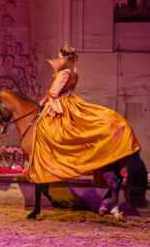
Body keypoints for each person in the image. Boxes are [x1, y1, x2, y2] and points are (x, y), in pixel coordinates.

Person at [28, 44, 142, 214]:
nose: (59, 60)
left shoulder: (62, 73)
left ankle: (54, 159)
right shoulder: (75, 71)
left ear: (64, 58)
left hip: (63, 105)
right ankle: (108, 203)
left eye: (60, 57)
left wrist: (43, 102)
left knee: (45, 129)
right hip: (73, 101)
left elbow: (54, 93)